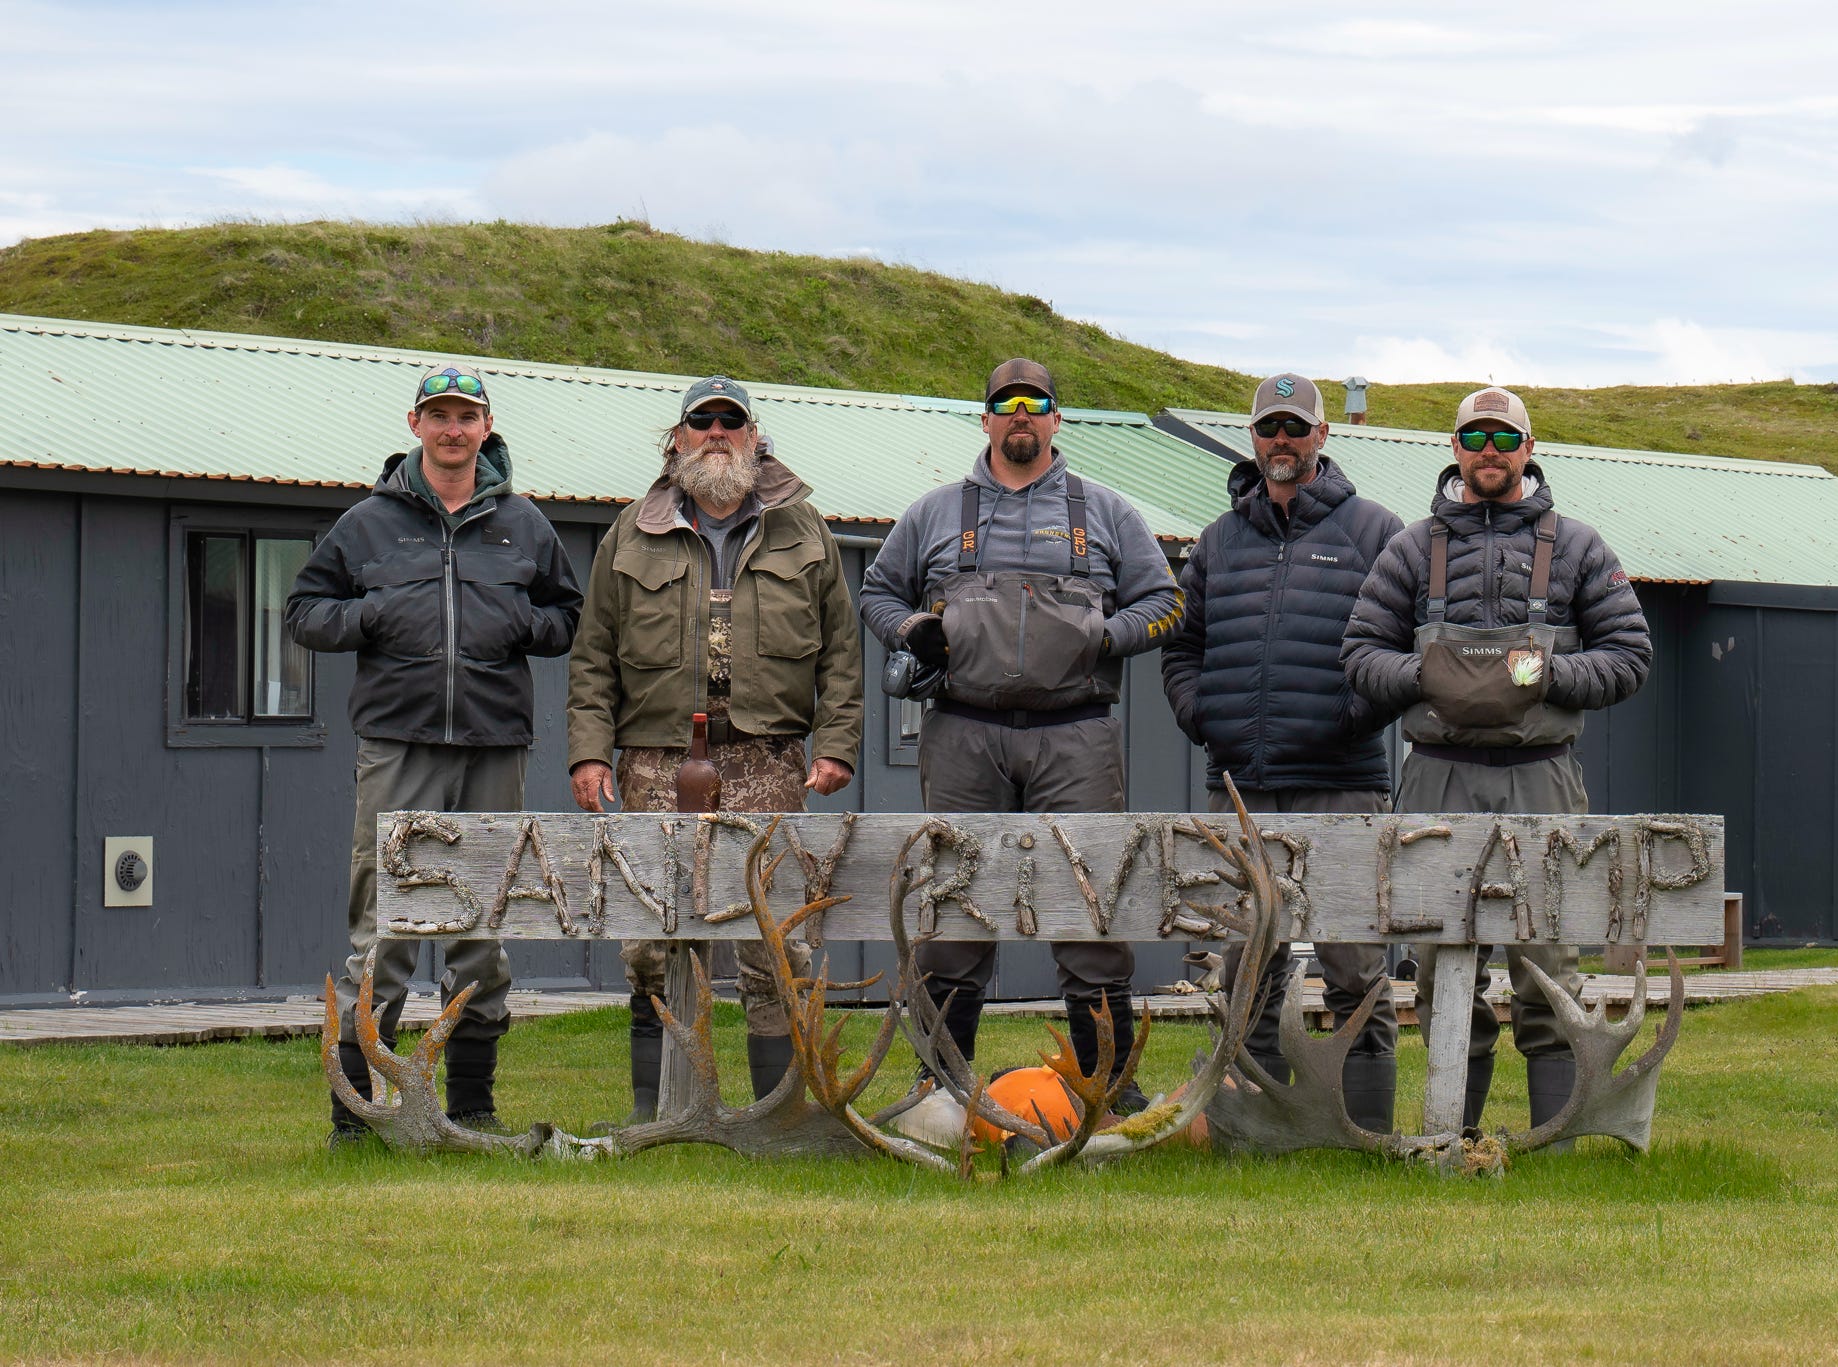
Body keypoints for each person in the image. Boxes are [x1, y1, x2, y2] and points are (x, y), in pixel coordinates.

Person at [860, 358, 1184, 1110]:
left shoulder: (1105, 511)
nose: (1020, 416)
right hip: (962, 735)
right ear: (985, 420)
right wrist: (911, 629)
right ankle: (937, 1089)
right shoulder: (935, 512)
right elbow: (877, 590)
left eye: (1034, 404)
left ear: (1055, 419)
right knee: (953, 910)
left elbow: (1166, 601)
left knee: (1090, 909)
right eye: (1004, 404)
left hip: (1077, 737)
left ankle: (1109, 1094)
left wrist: (1106, 637)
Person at [1341, 385, 1651, 1134]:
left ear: (1529, 449)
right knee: (1441, 966)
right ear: (1453, 449)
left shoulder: (1577, 546)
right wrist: (1424, 676)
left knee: (1547, 963)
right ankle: (1454, 1133)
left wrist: (1550, 676)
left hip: (1542, 773)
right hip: (1436, 774)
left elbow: (1631, 654)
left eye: (1502, 440)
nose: (1489, 453)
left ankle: (1556, 1141)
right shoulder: (1412, 548)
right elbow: (1358, 655)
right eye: (1474, 439)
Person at [288, 362, 583, 1145]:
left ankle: (474, 1102)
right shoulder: (367, 523)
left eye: (468, 416)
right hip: (397, 742)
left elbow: (568, 617)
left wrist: (522, 622)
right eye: (439, 415)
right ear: (414, 424)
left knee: (482, 919)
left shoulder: (524, 522)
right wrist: (375, 613)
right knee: (382, 922)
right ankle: (354, 1114)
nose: (454, 429)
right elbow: (304, 611)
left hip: (494, 743)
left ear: (487, 427)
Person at [567, 375, 861, 1121]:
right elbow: (593, 655)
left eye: (732, 421)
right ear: (677, 438)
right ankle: (660, 1114)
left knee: (774, 943)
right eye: (703, 422)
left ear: (756, 437)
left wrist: (836, 744)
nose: (718, 433)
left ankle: (777, 1114)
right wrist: (589, 753)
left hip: (766, 762)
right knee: (656, 938)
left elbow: (842, 654)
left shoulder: (805, 528)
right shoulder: (630, 530)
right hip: (655, 761)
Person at [1160, 373, 1407, 1132]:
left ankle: (1361, 1134)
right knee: (1245, 966)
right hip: (1242, 786)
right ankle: (1254, 1127)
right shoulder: (1218, 541)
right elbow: (1181, 646)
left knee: (1355, 966)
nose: (1282, 442)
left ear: (1323, 437)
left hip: (1342, 782)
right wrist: (1200, 714)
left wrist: (1351, 714)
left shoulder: (1376, 532)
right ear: (1252, 437)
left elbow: (1400, 650)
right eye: (1269, 427)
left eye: (1296, 428)